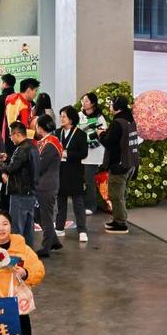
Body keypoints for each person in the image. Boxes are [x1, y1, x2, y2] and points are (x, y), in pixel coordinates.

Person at [0, 121, 40, 248]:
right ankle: (28, 253)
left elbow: (11, 169)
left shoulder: (21, 149)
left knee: (16, 227)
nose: (10, 138)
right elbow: (22, 165)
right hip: (31, 193)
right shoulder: (33, 147)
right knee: (28, 228)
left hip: (20, 194)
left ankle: (16, 252)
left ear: (17, 134)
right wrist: (8, 159)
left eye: (11, 135)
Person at [97, 96, 139, 235]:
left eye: (111, 104)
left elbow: (109, 142)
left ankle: (121, 223)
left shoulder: (118, 122)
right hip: (130, 163)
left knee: (116, 195)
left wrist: (101, 134)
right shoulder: (130, 120)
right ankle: (117, 219)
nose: (110, 106)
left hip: (119, 164)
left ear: (117, 106)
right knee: (121, 194)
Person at [54, 106, 89, 242]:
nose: (61, 119)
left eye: (64, 116)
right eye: (61, 116)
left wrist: (68, 154)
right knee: (61, 201)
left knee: (78, 203)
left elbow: (83, 153)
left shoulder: (80, 134)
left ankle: (82, 230)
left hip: (74, 172)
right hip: (60, 171)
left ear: (71, 119)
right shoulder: (57, 133)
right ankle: (59, 227)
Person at [34, 115, 63, 258]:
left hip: (47, 185)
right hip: (46, 184)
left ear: (40, 127)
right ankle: (54, 241)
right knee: (39, 215)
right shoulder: (49, 141)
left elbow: (40, 166)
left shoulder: (50, 144)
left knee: (45, 216)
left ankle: (46, 247)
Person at [78, 92, 107, 215]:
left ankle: (91, 206)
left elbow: (103, 135)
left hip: (93, 155)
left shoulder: (99, 117)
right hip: (80, 153)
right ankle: (83, 204)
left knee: (90, 181)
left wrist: (88, 142)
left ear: (93, 103)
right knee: (81, 180)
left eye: (87, 101)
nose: (84, 103)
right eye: (83, 100)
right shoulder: (79, 115)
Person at [2, 78, 40, 157]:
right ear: (29, 90)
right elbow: (12, 126)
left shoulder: (28, 103)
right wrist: (34, 134)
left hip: (24, 142)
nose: (35, 94)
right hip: (13, 144)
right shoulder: (15, 102)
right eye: (35, 91)